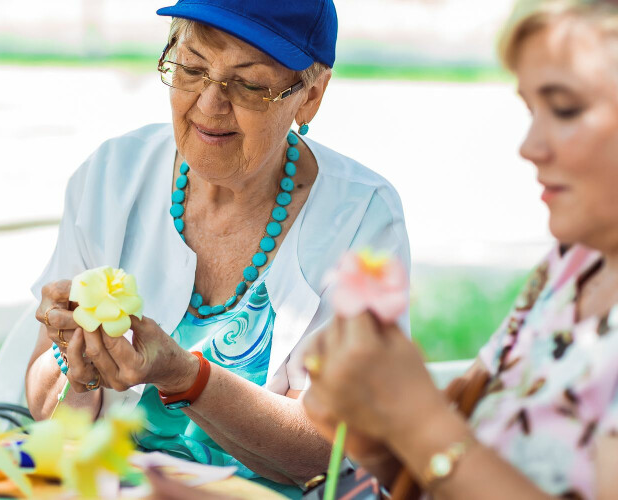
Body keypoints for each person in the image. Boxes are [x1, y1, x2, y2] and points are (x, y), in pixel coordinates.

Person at [23, 0, 410, 497]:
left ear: (310, 96)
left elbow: (336, 449)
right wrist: (79, 369)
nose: (209, 103)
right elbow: (44, 404)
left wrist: (185, 377)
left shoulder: (361, 217)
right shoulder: (112, 175)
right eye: (192, 67)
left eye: (249, 84)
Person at [303, 0, 618, 498]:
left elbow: (441, 444)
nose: (530, 146)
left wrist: (414, 419)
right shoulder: (571, 267)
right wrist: (369, 429)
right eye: (531, 110)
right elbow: (452, 472)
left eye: (564, 108)